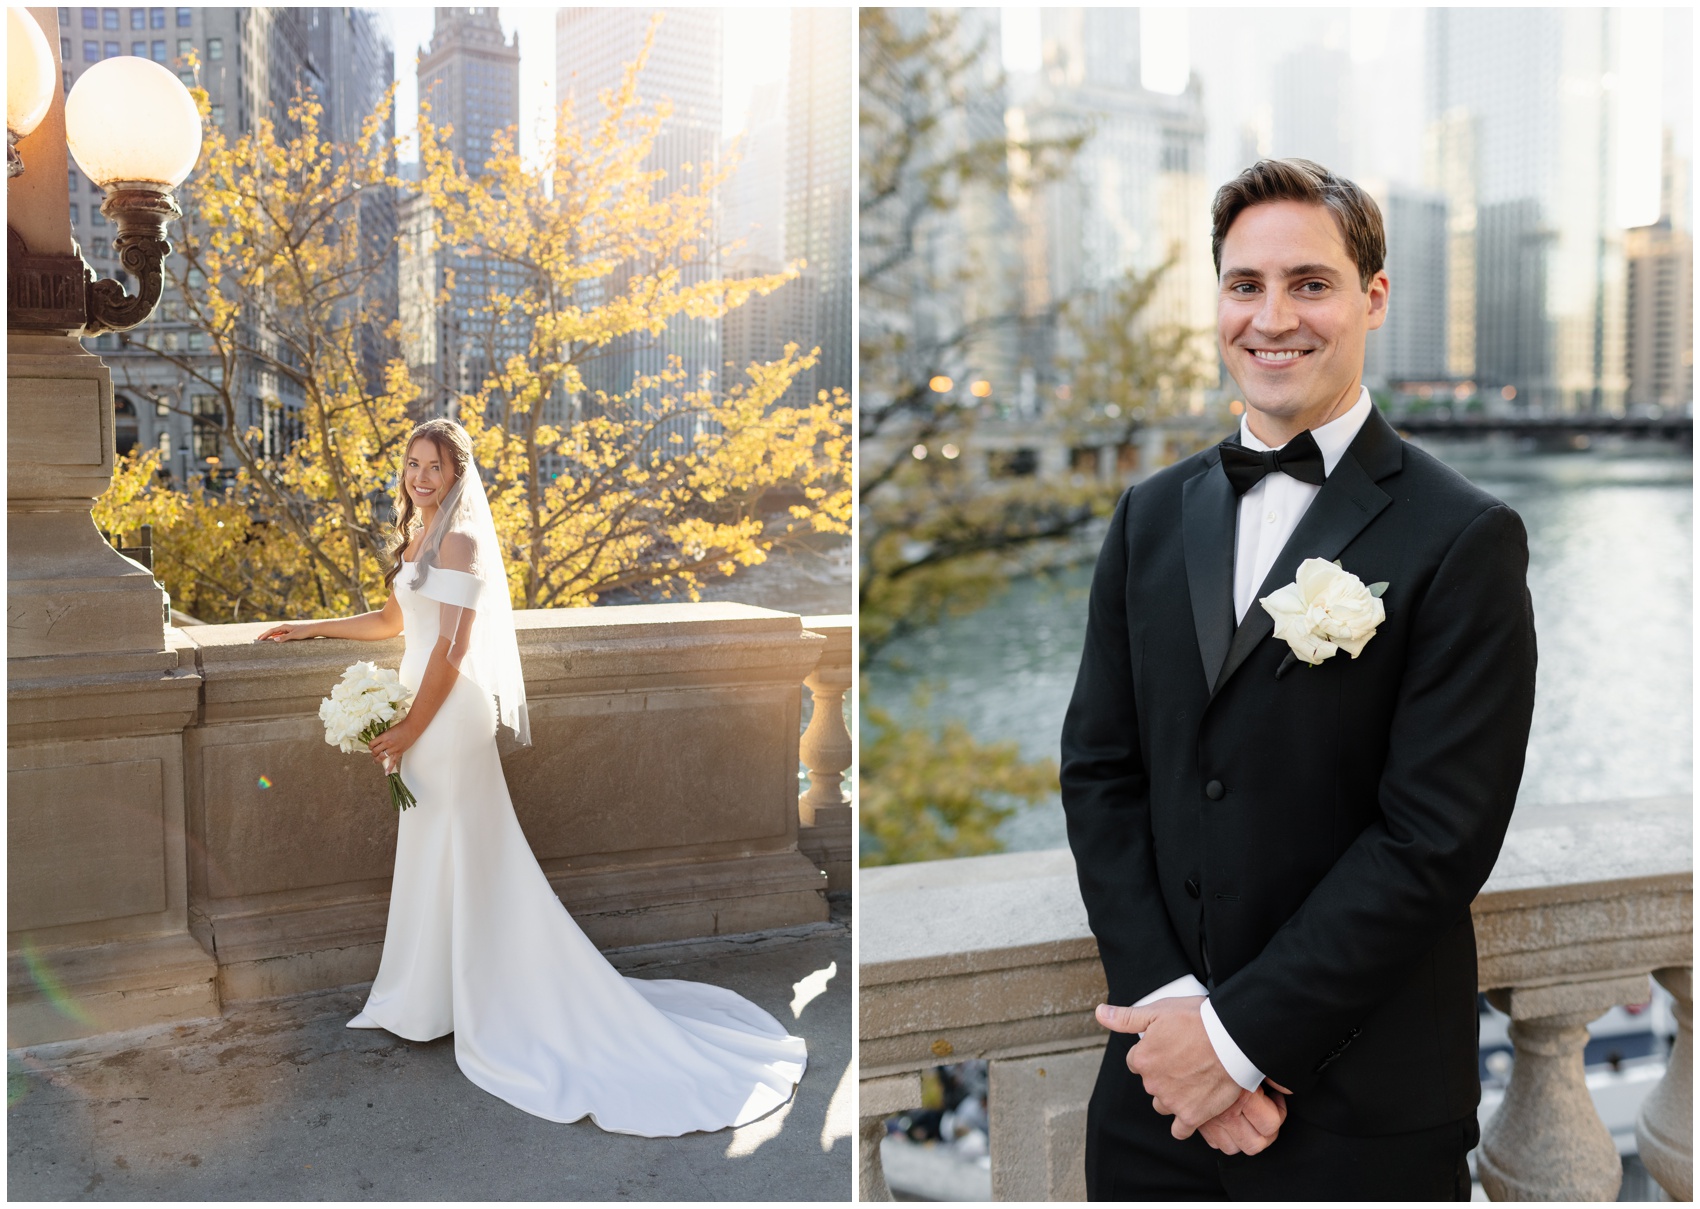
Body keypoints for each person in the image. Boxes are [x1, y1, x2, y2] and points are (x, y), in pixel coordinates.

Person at [1058, 158, 1537, 1199]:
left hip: (1365, 1114)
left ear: (1371, 298)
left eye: (1308, 284)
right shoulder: (1147, 514)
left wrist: (1235, 1045)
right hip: (1152, 1099)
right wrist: (1171, 1019)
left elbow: (1432, 841)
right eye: (1243, 286)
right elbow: (1099, 771)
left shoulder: (1465, 537)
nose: (1270, 319)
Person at [256, 418, 806, 1136]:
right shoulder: (422, 536)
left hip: (447, 716)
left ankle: (483, 1003)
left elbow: (452, 646)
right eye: (412, 464)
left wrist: (414, 726)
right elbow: (397, 620)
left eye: (434, 466)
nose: (420, 477)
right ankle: (426, 1000)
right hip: (424, 709)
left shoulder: (461, 540)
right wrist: (311, 628)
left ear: (457, 475)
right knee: (432, 852)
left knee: (467, 851)